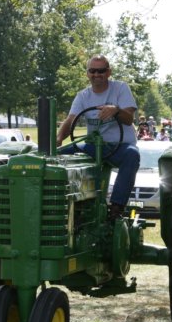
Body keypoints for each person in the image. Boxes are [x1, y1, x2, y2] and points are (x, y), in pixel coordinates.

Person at [56, 55, 140, 220]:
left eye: (101, 71)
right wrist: (58, 139)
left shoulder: (121, 88)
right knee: (56, 155)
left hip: (119, 146)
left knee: (132, 155)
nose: (96, 74)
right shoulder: (83, 96)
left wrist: (116, 110)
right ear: (87, 73)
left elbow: (129, 118)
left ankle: (116, 208)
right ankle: (62, 206)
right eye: (92, 71)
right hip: (92, 146)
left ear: (108, 72)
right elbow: (71, 120)